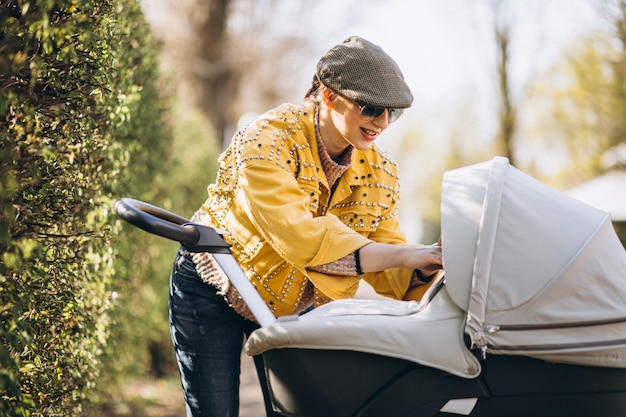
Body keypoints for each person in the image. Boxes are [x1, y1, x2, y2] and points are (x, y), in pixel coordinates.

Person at [169, 35, 443, 417]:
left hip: (291, 309)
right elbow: (300, 238)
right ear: (329, 96)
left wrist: (428, 268)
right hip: (215, 286)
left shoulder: (379, 172)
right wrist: (406, 253)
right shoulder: (266, 142)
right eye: (370, 108)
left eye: (392, 113)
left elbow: (389, 256)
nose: (382, 123)